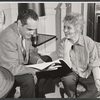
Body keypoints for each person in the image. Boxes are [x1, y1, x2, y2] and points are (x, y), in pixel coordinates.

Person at [57, 12, 100, 98]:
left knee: (95, 89)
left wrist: (97, 80)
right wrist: (66, 51)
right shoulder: (62, 43)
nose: (65, 30)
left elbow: (95, 64)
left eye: (69, 28)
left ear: (78, 29)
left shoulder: (88, 42)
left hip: (86, 72)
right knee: (67, 79)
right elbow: (66, 68)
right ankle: (71, 96)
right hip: (70, 72)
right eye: (64, 27)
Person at [0, 9, 40, 98]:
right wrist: (32, 71)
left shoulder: (25, 32)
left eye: (34, 29)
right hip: (7, 72)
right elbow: (11, 68)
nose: (33, 33)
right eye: (30, 29)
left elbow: (30, 51)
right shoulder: (8, 37)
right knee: (28, 79)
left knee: (46, 60)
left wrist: (39, 61)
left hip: (20, 65)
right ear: (19, 23)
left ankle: (40, 95)